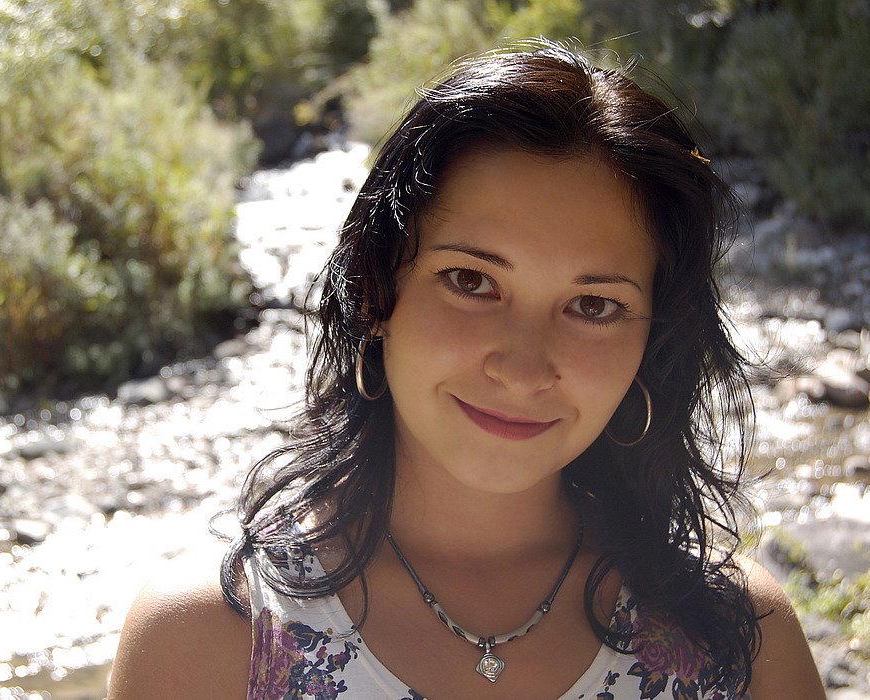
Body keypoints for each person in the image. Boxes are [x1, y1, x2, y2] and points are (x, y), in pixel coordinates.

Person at [108, 40, 825, 699]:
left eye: (593, 305)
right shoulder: (208, 638)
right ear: (375, 291)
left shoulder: (736, 641)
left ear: (653, 341)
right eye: (471, 282)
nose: (522, 367)